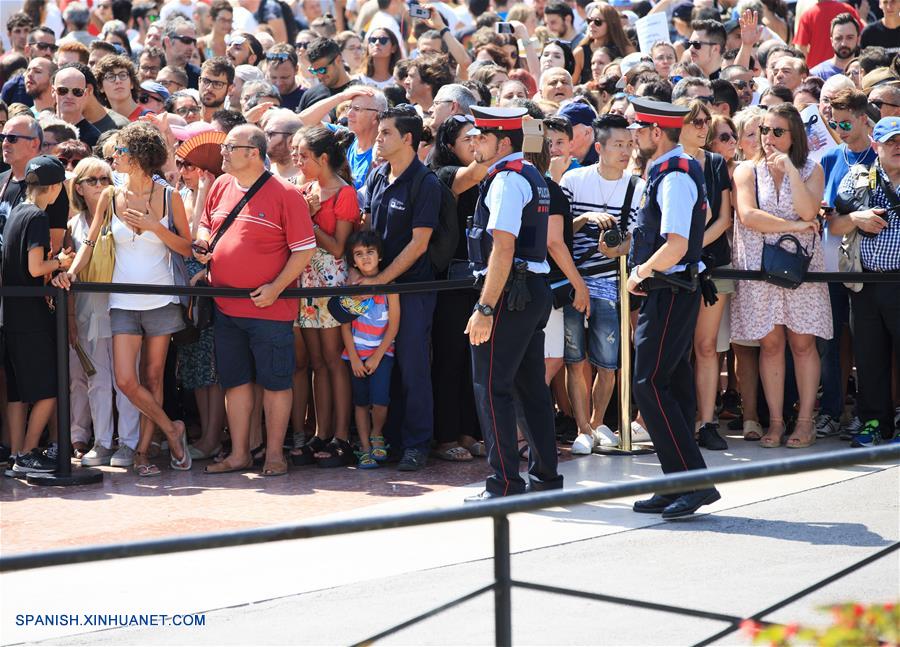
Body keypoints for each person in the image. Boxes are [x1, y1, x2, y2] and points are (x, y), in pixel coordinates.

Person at [53, 123, 194, 478]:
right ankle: (172, 429)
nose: (114, 157)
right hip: (122, 301)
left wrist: (154, 227)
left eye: (120, 152)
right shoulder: (110, 196)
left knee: (154, 378)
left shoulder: (169, 196)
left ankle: (144, 452)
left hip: (161, 298)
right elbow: (89, 242)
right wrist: (73, 272)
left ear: (138, 158)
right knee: (126, 380)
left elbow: (186, 247)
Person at [194, 124, 316, 476]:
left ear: (253, 153)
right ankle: (240, 454)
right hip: (225, 306)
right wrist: (204, 243)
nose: (223, 153)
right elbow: (205, 225)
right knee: (235, 382)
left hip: (269, 308)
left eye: (231, 147)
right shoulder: (219, 185)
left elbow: (303, 251)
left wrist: (277, 287)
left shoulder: (285, 194)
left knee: (276, 381)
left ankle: (275, 454)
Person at [626, 97, 720, 519]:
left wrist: (640, 271)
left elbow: (677, 244)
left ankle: (691, 482)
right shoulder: (668, 170)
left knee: (649, 383)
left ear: (655, 132)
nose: (634, 135)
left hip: (671, 288)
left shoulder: (676, 175)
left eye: (638, 129)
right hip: (671, 289)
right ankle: (675, 481)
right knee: (668, 384)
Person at [463, 105, 563, 501]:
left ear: (503, 141)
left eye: (482, 137)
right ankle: (545, 476)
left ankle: (504, 481)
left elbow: (503, 247)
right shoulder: (531, 173)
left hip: (511, 292)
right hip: (532, 288)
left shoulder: (507, 178)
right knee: (529, 387)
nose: (475, 142)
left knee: (491, 386)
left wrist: (485, 308)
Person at [731, 102, 831, 450]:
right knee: (770, 344)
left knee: (803, 344)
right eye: (764, 131)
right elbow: (748, 216)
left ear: (794, 136)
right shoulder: (746, 170)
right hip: (761, 267)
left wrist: (789, 170)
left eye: (777, 131)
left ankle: (805, 421)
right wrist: (795, 227)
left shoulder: (811, 169)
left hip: (801, 267)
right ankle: (775, 421)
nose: (769, 138)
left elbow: (809, 209)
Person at [360, 104, 440, 472]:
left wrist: (382, 278)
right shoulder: (377, 177)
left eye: (386, 132)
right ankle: (386, 442)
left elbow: (419, 243)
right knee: (382, 367)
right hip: (377, 288)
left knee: (412, 367)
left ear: (408, 138)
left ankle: (417, 443)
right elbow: (368, 228)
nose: (379, 138)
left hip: (411, 290)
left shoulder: (427, 182)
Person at [559, 113, 642, 454]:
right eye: (618, 144)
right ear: (599, 147)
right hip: (573, 280)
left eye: (628, 144)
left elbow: (635, 240)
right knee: (574, 358)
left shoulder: (636, 186)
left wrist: (616, 247)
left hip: (611, 281)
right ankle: (582, 428)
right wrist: (584, 219)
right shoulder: (574, 179)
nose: (625, 151)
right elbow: (558, 231)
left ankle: (596, 422)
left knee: (608, 362)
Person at [287, 126, 359, 468]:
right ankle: (320, 431)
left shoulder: (345, 194)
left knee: (334, 360)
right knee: (316, 363)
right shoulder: (304, 190)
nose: (298, 162)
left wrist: (310, 218)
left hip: (331, 283)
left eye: (304, 156)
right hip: (306, 282)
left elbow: (337, 247)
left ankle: (342, 436)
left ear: (324, 158)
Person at [829, 116, 900, 446]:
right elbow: (833, 225)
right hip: (867, 284)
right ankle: (875, 422)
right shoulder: (858, 179)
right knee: (869, 358)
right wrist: (855, 218)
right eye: (890, 142)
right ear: (876, 146)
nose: (898, 146)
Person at [65, 157, 141, 467]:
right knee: (97, 380)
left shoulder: (123, 216)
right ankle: (102, 442)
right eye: (92, 180)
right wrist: (70, 318)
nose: (100, 185)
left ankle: (129, 443)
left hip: (125, 306)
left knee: (127, 379)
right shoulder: (73, 224)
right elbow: (68, 274)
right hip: (88, 311)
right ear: (78, 188)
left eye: (105, 178)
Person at [2, 155, 72, 474]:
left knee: (18, 390)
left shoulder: (18, 211)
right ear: (55, 187)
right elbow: (35, 267)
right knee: (49, 388)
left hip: (13, 315)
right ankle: (28, 452)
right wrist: (60, 262)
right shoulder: (38, 218)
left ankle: (18, 454)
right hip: (31, 317)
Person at [675, 98, 733, 451]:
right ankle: (682, 419)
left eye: (705, 120)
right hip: (677, 265)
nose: (702, 126)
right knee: (680, 347)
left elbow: (724, 219)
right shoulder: (668, 163)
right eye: (694, 121)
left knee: (707, 346)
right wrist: (682, 254)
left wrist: (691, 249)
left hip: (714, 263)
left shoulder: (714, 163)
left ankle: (707, 422)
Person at [429, 115, 485, 462]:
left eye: (481, 136)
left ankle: (469, 433)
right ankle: (446, 436)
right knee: (449, 359)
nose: (477, 143)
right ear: (450, 145)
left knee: (473, 361)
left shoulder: (493, 174)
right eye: (470, 138)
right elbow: (472, 175)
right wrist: (492, 145)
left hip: (481, 277)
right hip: (451, 280)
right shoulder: (443, 175)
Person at [339, 230, 401, 469]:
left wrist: (377, 355)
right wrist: (353, 357)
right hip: (356, 355)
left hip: (382, 354)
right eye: (359, 254)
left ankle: (377, 434)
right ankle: (364, 447)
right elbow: (345, 327)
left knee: (381, 399)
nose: (365, 258)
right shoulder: (351, 287)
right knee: (361, 402)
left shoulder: (390, 286)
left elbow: (394, 325)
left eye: (370, 252)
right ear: (352, 260)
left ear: (380, 256)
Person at [572, 3, 635, 84]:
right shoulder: (580, 52)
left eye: (597, 22)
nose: (591, 24)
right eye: (589, 20)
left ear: (611, 24)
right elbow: (571, 85)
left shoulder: (626, 50)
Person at [51, 64, 101, 147]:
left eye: (77, 92)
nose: (69, 96)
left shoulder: (94, 139)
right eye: (63, 90)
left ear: (85, 94)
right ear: (53, 91)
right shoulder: (42, 130)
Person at [810, 13, 861, 81]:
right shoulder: (816, 75)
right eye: (838, 38)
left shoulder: (866, 73)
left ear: (858, 39)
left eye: (849, 38)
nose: (843, 43)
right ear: (832, 41)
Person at [198, 56, 234, 123]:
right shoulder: (188, 119)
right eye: (206, 81)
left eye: (217, 84)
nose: (209, 88)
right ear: (199, 82)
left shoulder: (233, 126)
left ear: (230, 89)